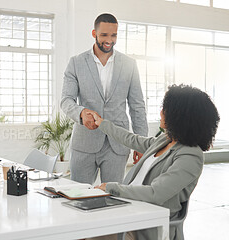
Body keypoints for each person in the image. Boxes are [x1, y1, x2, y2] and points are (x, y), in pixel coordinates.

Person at [91, 84, 220, 240]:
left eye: (164, 109)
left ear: (179, 116)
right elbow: (131, 139)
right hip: (127, 209)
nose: (161, 113)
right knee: (80, 225)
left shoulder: (190, 156)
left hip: (146, 224)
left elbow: (156, 193)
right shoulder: (165, 140)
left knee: (87, 233)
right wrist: (102, 124)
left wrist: (112, 188)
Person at [60, 13, 148, 184]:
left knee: (113, 199)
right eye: (104, 35)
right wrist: (81, 112)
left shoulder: (129, 64)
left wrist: (141, 142)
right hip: (85, 143)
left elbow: (137, 106)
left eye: (114, 35)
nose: (109, 40)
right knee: (79, 198)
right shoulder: (76, 63)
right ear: (94, 34)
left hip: (118, 143)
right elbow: (66, 100)